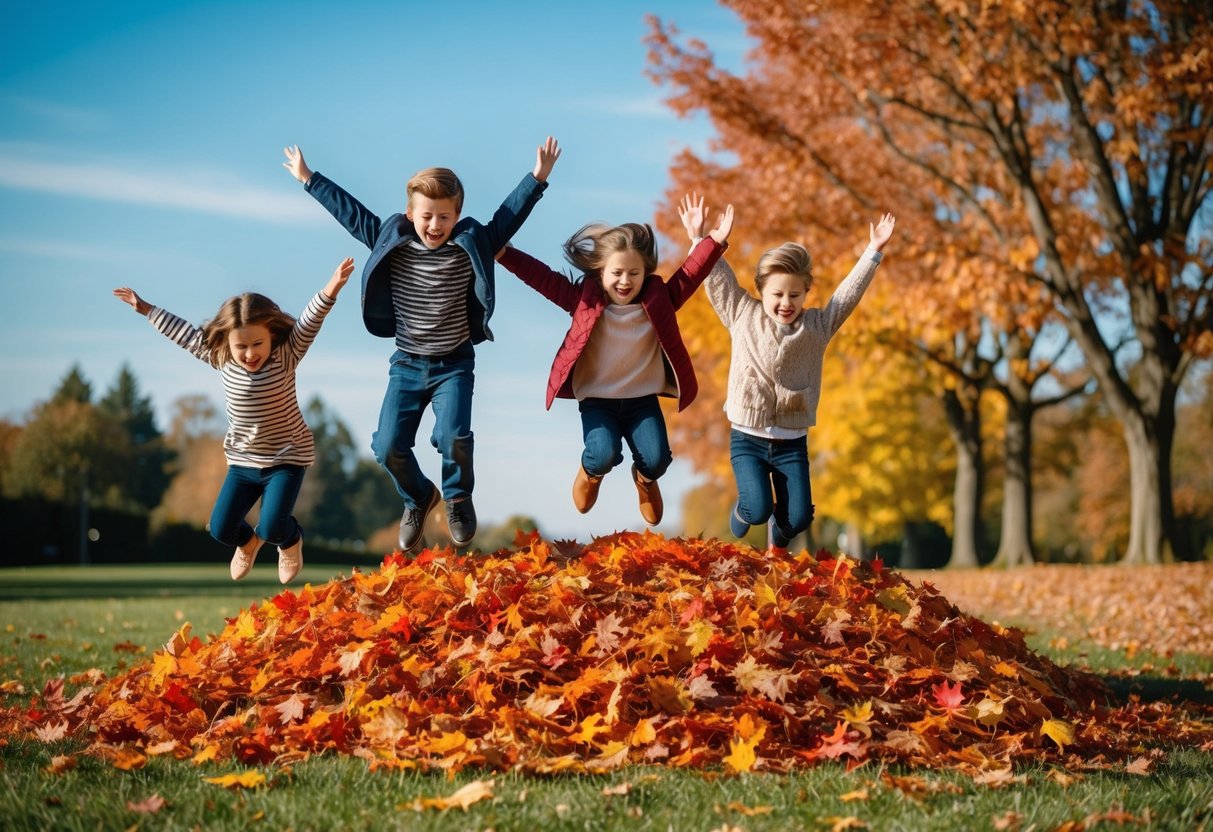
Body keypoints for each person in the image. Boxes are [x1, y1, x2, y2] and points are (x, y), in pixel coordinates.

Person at [282, 138, 561, 553]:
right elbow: (350, 213)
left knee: (453, 437)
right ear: (411, 213)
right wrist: (309, 179)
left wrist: (537, 178)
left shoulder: (471, 241)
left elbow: (508, 217)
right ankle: (417, 496)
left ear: (457, 216)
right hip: (408, 363)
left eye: (444, 217)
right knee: (386, 445)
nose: (435, 225)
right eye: (426, 216)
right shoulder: (389, 237)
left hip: (454, 365)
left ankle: (457, 496)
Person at [679, 193, 896, 555]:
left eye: (795, 295)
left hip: (791, 442)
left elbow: (846, 296)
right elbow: (718, 282)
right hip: (747, 438)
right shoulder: (742, 314)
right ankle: (744, 510)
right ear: (761, 291)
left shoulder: (816, 326)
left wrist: (872, 252)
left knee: (798, 518)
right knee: (758, 509)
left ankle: (778, 542)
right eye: (777, 294)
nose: (786, 303)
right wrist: (703, 239)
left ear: (806, 293)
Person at [112, 258, 354, 582]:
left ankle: (291, 539)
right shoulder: (220, 356)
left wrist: (332, 286)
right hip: (243, 461)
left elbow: (311, 318)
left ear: (271, 336)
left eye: (258, 344)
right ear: (227, 341)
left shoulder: (288, 353)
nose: (250, 354)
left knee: (272, 526)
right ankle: (247, 542)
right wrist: (147, 309)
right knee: (221, 528)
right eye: (242, 346)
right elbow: (184, 333)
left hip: (285, 458)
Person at [496, 205, 734, 525]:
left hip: (641, 399)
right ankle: (590, 473)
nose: (625, 281)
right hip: (598, 400)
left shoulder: (657, 299)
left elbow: (689, 276)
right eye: (617, 273)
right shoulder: (585, 300)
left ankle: (646, 482)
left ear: (645, 274)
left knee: (658, 458)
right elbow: (544, 280)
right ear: (601, 273)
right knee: (603, 452)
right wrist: (505, 255)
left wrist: (714, 241)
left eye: (634, 274)